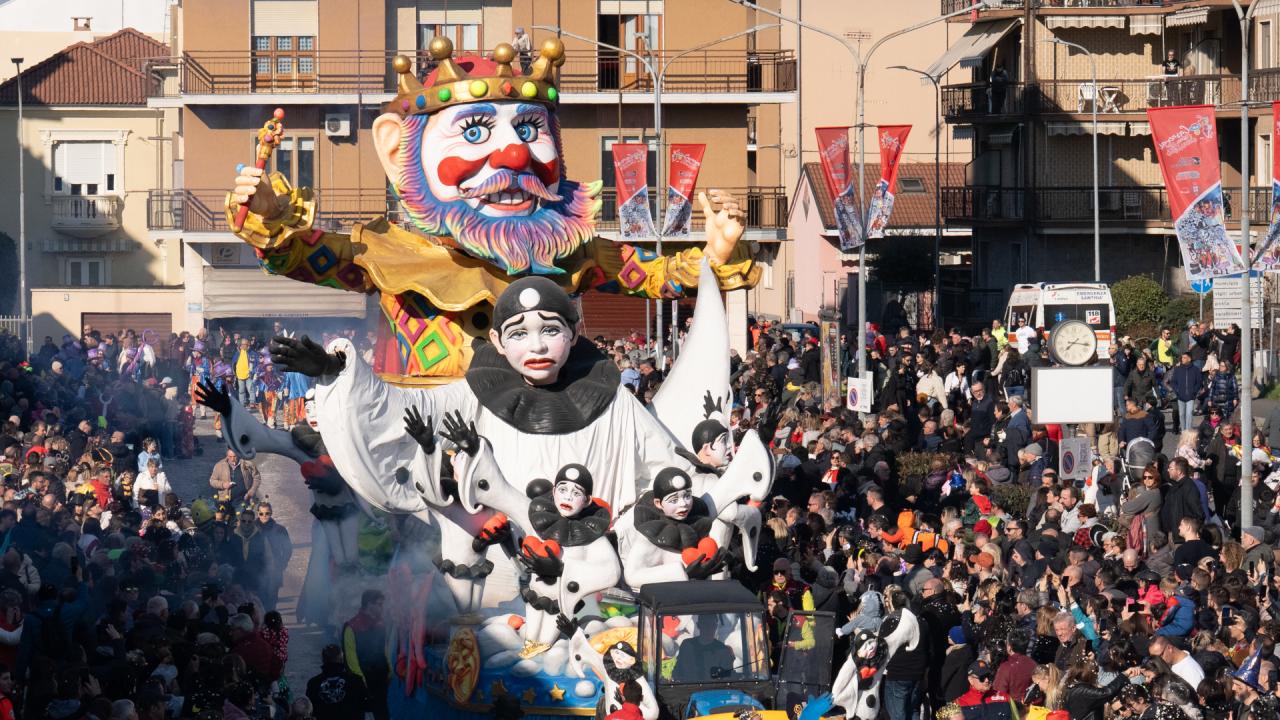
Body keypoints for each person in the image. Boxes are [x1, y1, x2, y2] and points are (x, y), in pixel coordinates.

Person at [343, 590, 390, 720]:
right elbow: (351, 658)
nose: (382, 608)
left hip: (380, 677)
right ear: (369, 604)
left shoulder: (381, 624)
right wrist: (361, 680)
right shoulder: (351, 627)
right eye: (379, 604)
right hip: (362, 679)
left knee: (382, 713)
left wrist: (389, 670)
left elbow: (384, 650)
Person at [306, 644, 368, 720]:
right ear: (342, 659)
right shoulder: (355, 680)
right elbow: (367, 705)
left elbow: (310, 710)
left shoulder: (313, 683)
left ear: (323, 660)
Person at [672, 613, 735, 682]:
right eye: (705, 624)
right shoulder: (687, 645)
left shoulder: (723, 650)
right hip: (687, 687)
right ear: (699, 625)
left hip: (713, 688)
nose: (709, 628)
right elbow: (677, 672)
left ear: (716, 626)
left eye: (712, 625)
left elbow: (727, 680)